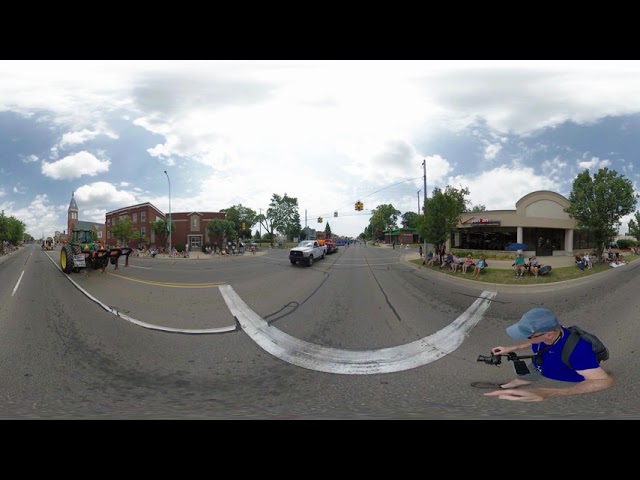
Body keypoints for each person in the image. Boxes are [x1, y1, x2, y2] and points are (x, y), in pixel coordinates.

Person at [477, 307, 613, 402]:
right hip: (540, 363)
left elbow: (603, 381)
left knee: (593, 374)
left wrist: (546, 392)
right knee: (527, 374)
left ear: (549, 334)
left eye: (528, 336)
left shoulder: (579, 351)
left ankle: (591, 369)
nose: (526, 338)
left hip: (560, 368)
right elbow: (534, 342)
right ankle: (509, 385)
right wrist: (512, 348)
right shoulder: (552, 331)